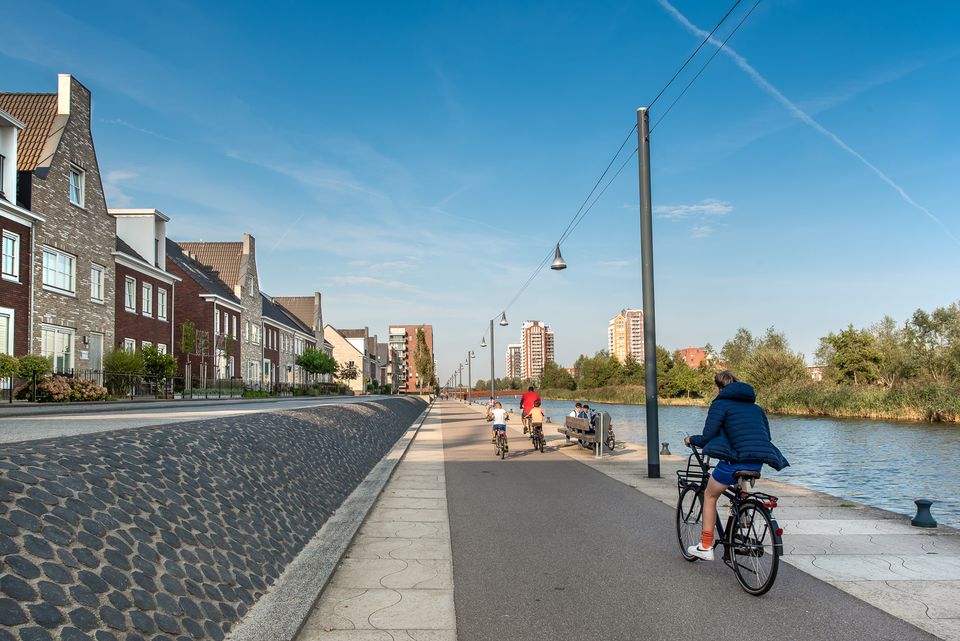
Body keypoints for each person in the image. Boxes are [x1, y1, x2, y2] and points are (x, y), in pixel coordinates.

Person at [683, 371, 789, 561]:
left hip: (734, 462)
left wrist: (691, 439)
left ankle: (705, 546)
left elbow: (707, 436)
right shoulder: (756, 408)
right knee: (739, 476)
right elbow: (766, 436)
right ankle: (744, 511)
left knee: (710, 495)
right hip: (757, 461)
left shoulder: (720, 404)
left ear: (719, 388)